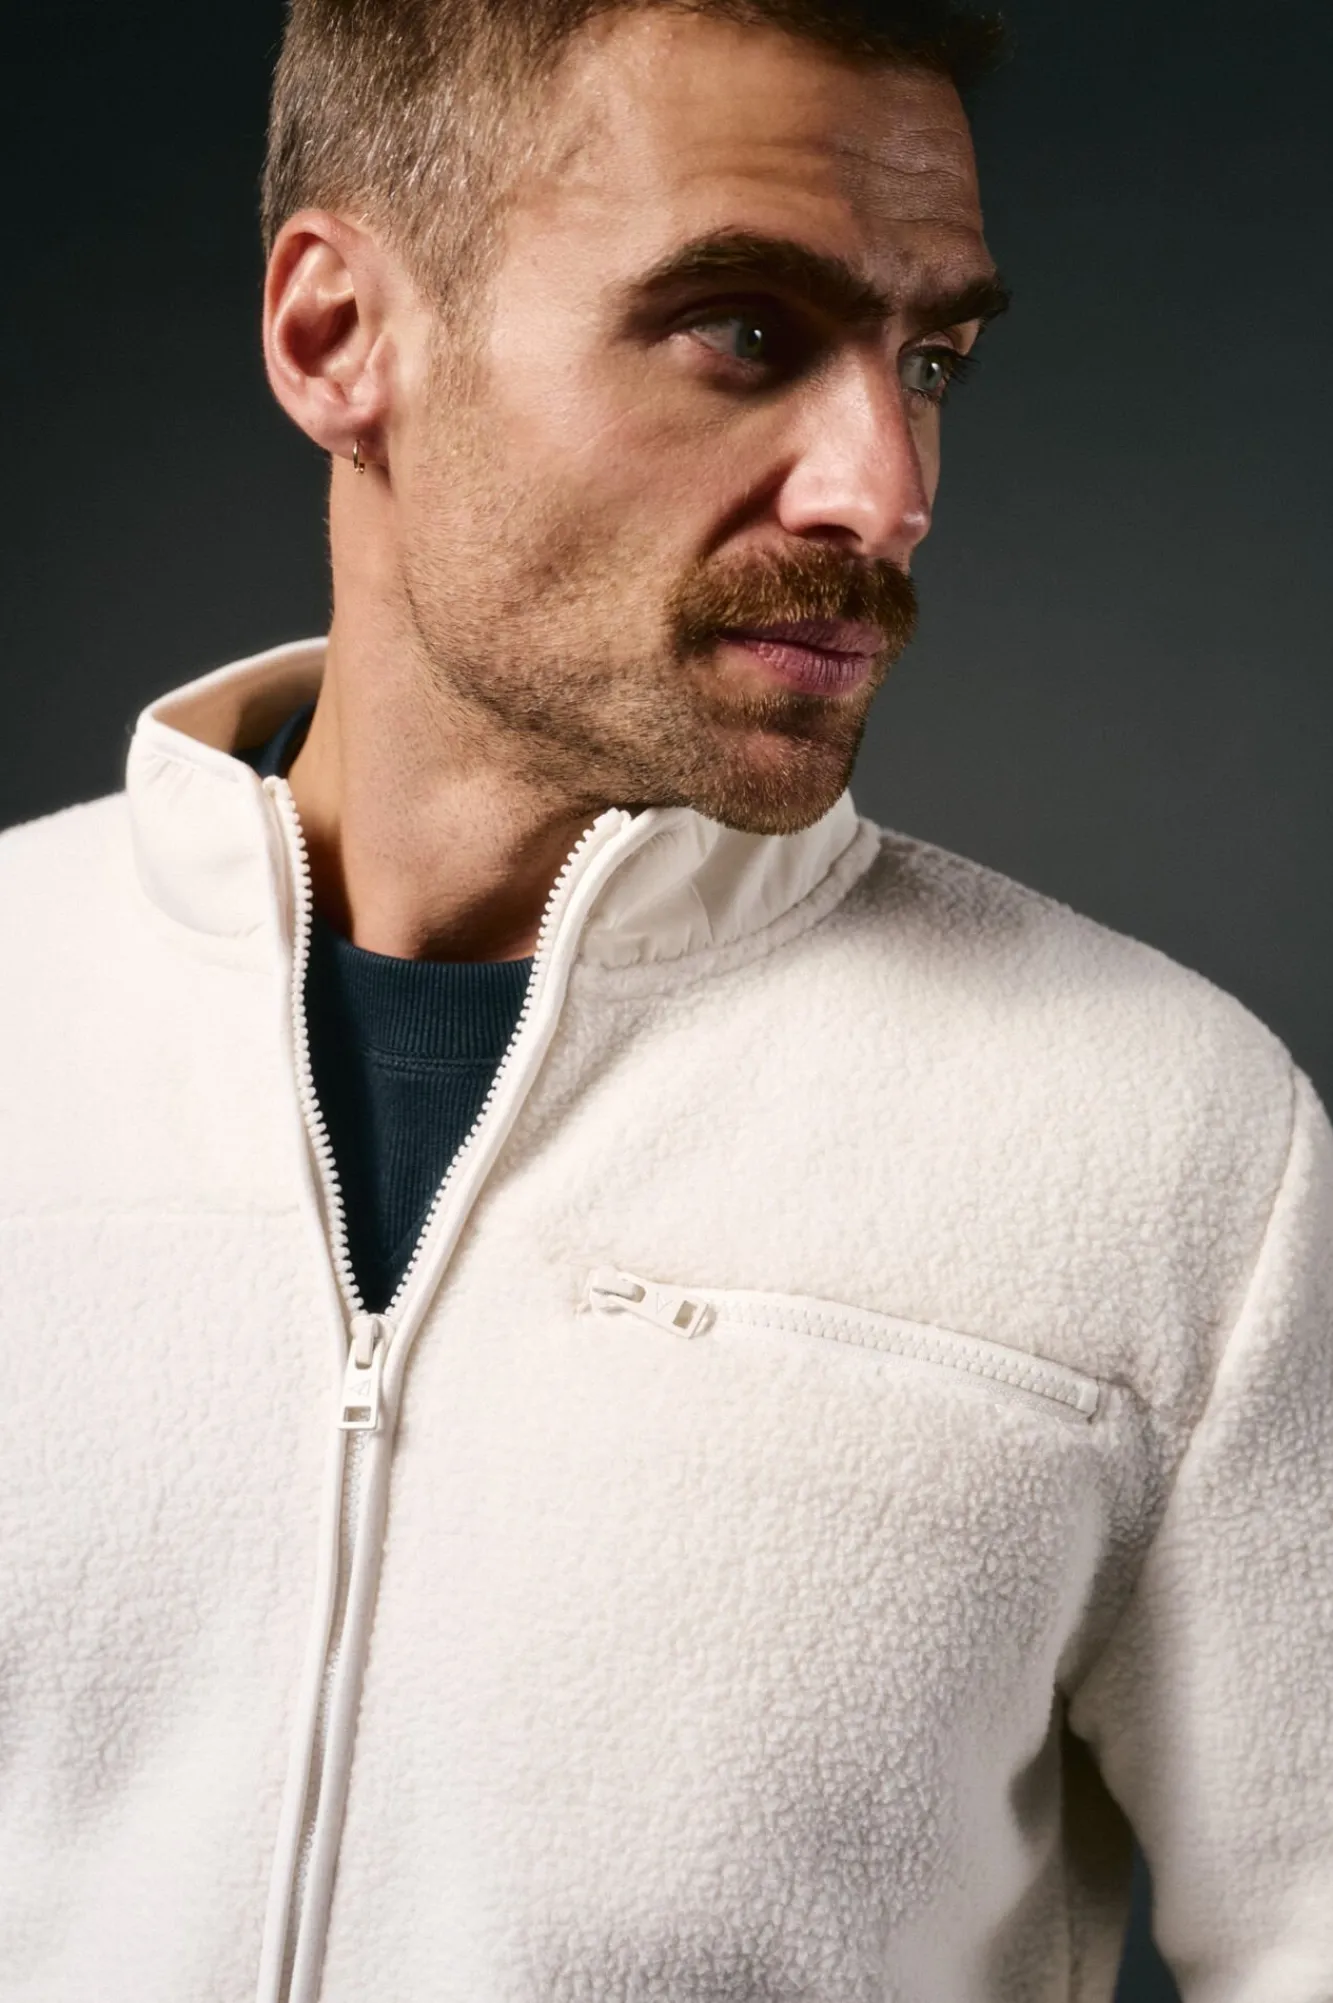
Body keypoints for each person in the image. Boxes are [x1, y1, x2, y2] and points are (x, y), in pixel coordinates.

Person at [2, 0, 1329, 1997]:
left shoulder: (1176, 1149)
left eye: (934, 361)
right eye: (744, 330)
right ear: (339, 336)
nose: (886, 487)